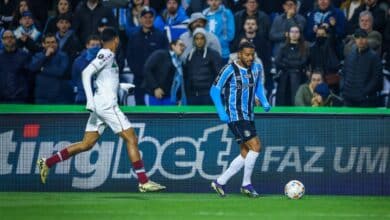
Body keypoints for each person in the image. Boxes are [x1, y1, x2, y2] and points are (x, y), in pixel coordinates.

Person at [37, 27, 166, 192]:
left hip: (101, 104)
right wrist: (89, 101)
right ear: (116, 40)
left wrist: (121, 86)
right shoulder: (106, 53)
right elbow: (86, 73)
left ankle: (47, 162)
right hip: (106, 105)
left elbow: (104, 80)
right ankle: (143, 181)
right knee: (131, 139)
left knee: (86, 144)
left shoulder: (108, 56)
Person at [209, 41, 271, 198]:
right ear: (239, 55)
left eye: (252, 55)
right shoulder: (229, 69)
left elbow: (257, 87)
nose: (250, 58)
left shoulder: (256, 68)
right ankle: (246, 185)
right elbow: (214, 90)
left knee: (245, 152)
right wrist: (221, 111)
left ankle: (220, 182)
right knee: (256, 146)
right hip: (235, 115)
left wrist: (263, 101)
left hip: (249, 114)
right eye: (247, 55)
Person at [341, 28, 382, 107]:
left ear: (367, 39)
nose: (360, 40)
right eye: (357, 37)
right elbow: (344, 72)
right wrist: (343, 87)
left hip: (365, 100)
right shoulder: (350, 54)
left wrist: (365, 92)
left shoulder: (374, 56)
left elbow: (376, 78)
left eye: (363, 37)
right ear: (355, 39)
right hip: (348, 97)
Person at [183, 28, 222, 105]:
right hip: (192, 95)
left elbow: (219, 74)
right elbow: (187, 76)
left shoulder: (213, 54)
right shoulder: (190, 56)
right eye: (197, 39)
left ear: (205, 39)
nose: (199, 41)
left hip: (208, 95)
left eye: (202, 38)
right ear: (194, 40)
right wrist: (188, 93)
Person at [142, 39, 187, 105]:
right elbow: (147, 69)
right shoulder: (160, 54)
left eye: (184, 46)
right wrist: (155, 88)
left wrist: (179, 97)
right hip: (153, 95)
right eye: (180, 45)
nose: (183, 48)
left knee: (169, 115)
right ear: (173, 46)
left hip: (170, 98)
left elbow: (180, 83)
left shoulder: (181, 62)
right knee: (153, 115)